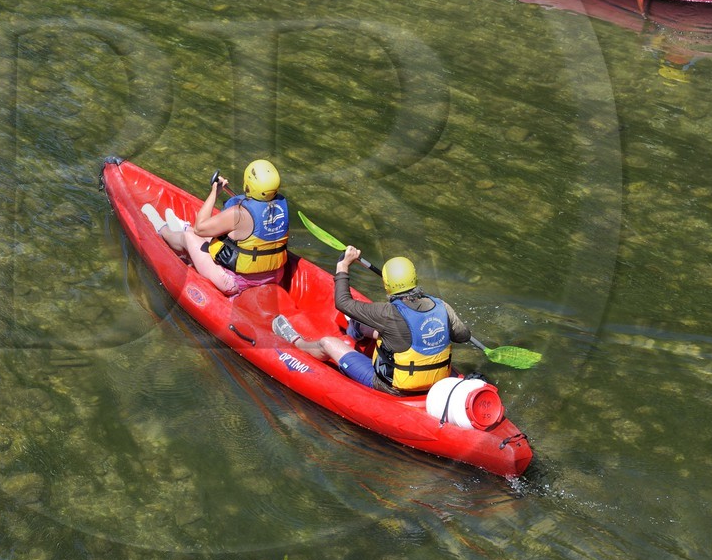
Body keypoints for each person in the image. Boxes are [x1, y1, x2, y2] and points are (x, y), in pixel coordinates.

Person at [276, 246, 473, 395]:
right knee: (392, 332)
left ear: (387, 284)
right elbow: (463, 336)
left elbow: (342, 303)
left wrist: (343, 266)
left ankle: (294, 340)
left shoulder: (387, 312)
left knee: (328, 343)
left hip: (393, 387)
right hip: (438, 381)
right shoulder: (442, 306)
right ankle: (358, 329)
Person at [143, 159, 290, 295]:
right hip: (275, 276)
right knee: (219, 236)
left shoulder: (238, 214)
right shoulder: (281, 204)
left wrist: (215, 192)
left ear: (248, 184)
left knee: (190, 235)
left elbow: (199, 229)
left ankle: (162, 228)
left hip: (235, 283)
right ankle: (182, 226)